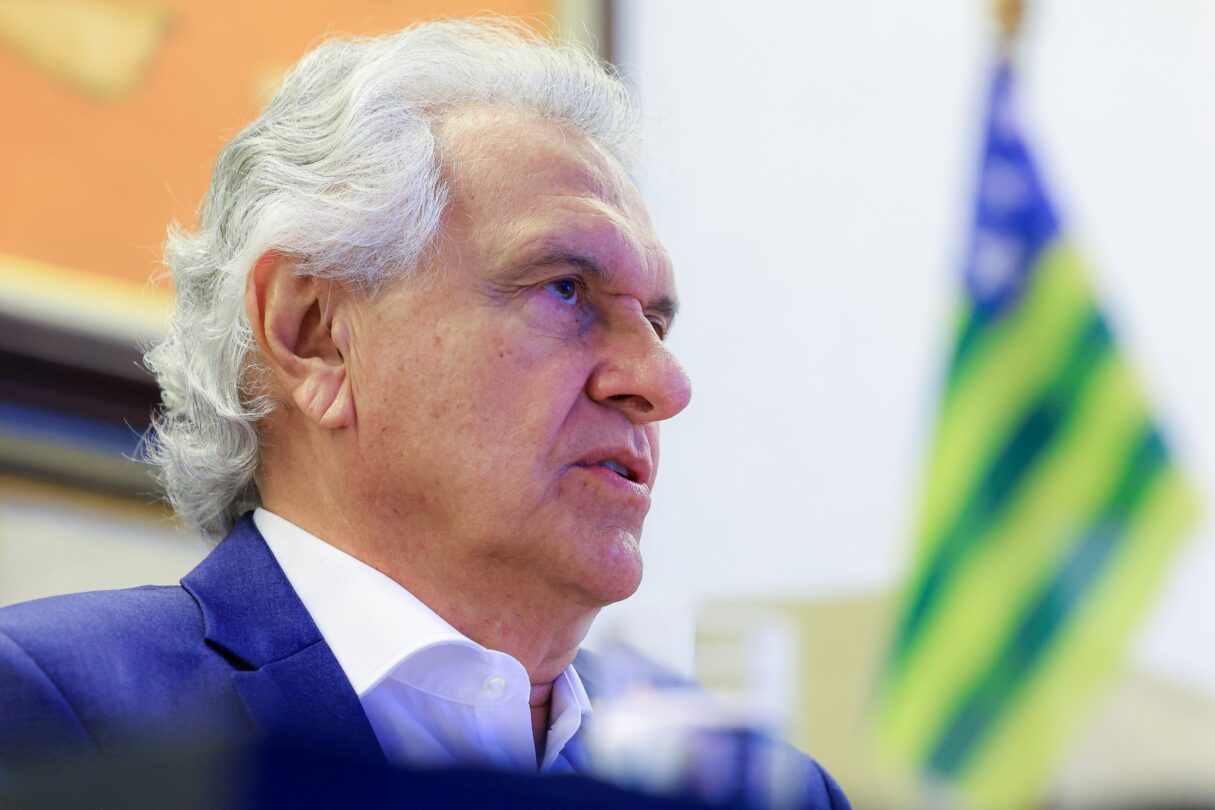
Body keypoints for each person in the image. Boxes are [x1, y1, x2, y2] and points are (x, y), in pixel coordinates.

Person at [0, 18, 848, 807]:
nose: (661, 382)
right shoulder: (58, 709)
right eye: (565, 289)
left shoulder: (771, 792)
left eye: (655, 323)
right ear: (313, 336)